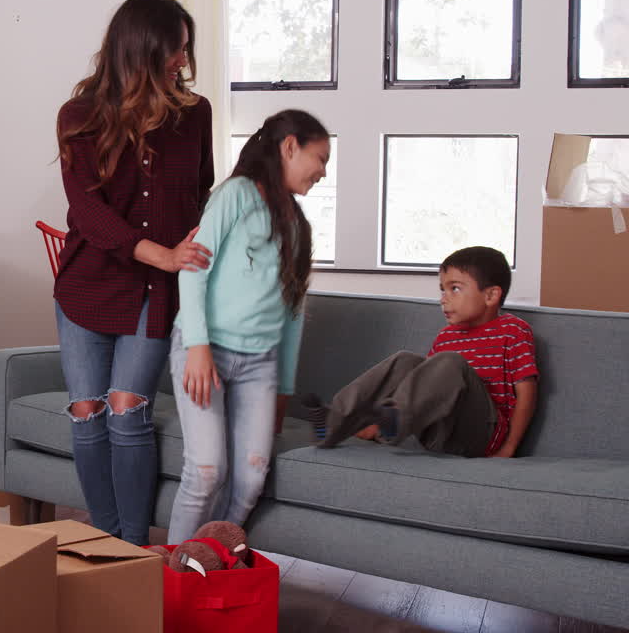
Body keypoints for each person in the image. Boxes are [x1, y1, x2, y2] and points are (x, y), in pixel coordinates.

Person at [54, 0, 215, 546]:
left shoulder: (195, 114)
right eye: (175, 49)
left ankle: (131, 548)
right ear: (142, 49)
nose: (183, 61)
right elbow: (88, 212)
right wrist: (161, 252)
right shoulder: (78, 117)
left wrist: (191, 249)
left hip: (154, 290)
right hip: (87, 287)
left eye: (186, 49)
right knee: (86, 411)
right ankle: (105, 543)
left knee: (126, 411)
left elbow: (200, 190)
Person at [169, 109, 330, 543]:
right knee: (206, 472)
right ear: (290, 147)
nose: (323, 171)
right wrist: (198, 347)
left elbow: (292, 313)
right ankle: (172, 573)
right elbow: (193, 270)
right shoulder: (235, 195)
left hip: (260, 365)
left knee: (252, 478)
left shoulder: (297, 225)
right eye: (320, 158)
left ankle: (209, 560)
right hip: (206, 352)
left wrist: (283, 390)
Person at [320, 246, 538, 459]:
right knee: (405, 361)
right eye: (442, 290)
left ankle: (392, 421)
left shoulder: (513, 330)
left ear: (490, 295)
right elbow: (427, 392)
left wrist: (509, 448)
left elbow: (527, 394)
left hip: (482, 436)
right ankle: (337, 419)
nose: (443, 299)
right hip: (439, 434)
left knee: (449, 363)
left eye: (455, 289)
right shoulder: (446, 336)